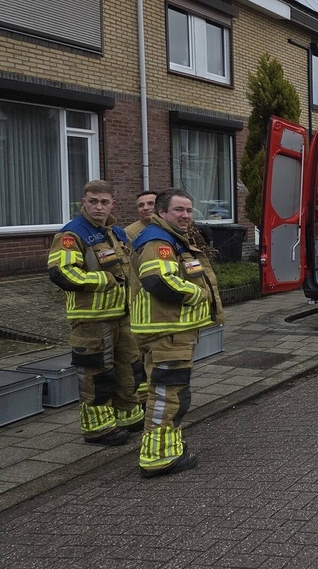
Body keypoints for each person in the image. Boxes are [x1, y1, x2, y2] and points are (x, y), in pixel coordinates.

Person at [47, 180, 145, 446]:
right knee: (97, 373)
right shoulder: (72, 234)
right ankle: (98, 428)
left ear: (113, 203)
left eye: (104, 202)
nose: (98, 207)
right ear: (84, 202)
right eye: (93, 201)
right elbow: (62, 272)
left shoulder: (116, 232)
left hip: (122, 314)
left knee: (129, 367)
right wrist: (104, 280)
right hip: (91, 318)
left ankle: (128, 416)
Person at [131, 188, 218, 477]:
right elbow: (158, 280)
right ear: (162, 212)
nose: (185, 215)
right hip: (166, 330)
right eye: (179, 210)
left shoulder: (169, 237)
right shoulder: (159, 241)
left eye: (189, 210)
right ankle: (158, 457)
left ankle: (164, 449)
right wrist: (198, 294)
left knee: (168, 393)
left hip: (169, 329)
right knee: (168, 395)